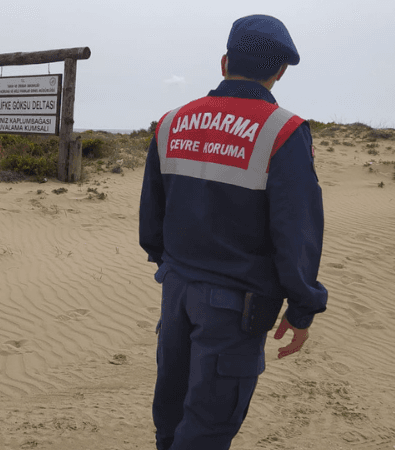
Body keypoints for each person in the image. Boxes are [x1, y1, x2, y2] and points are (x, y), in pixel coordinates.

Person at [138, 15, 328, 449]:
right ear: (280, 72)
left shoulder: (171, 123)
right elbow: (295, 230)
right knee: (209, 426)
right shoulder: (283, 131)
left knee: (170, 411)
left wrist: (174, 265)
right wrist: (303, 306)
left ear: (224, 62)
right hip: (235, 308)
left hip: (176, 292)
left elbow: (152, 218)